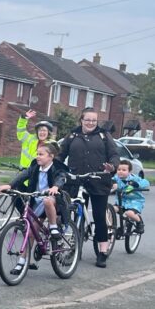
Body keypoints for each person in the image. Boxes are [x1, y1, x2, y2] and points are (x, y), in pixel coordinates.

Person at [58, 106, 119, 268]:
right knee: (74, 215)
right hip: (76, 180)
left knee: (99, 217)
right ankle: (75, 247)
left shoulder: (104, 136)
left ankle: (102, 252)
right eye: (88, 120)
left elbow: (114, 155)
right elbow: (61, 155)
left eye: (94, 120)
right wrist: (56, 169)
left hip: (99, 180)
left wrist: (111, 166)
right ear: (81, 120)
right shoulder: (72, 136)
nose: (91, 122)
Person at [0, 142, 69, 274]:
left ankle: (53, 227)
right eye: (37, 154)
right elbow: (23, 175)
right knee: (30, 233)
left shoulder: (57, 168)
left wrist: (55, 187)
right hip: (36, 201)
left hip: (52, 201)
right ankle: (21, 263)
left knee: (48, 200)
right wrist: (10, 185)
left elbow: (61, 177)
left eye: (41, 154)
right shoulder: (35, 167)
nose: (38, 157)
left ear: (51, 156)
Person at [112, 159, 149, 234]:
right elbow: (110, 180)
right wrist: (113, 183)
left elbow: (146, 182)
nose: (121, 171)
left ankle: (139, 223)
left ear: (129, 172)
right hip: (121, 202)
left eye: (124, 170)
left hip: (135, 202)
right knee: (111, 210)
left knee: (129, 213)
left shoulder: (134, 178)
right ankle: (111, 227)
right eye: (119, 169)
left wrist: (136, 184)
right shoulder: (116, 178)